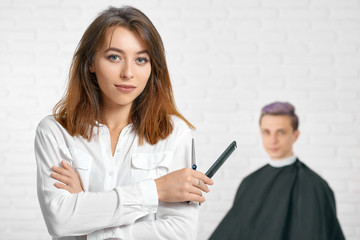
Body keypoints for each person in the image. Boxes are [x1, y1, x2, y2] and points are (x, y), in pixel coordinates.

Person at [34, 6, 213, 240]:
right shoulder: (55, 132)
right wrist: (157, 189)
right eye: (114, 57)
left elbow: (180, 232)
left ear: (152, 67)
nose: (128, 73)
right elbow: (60, 221)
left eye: (141, 59)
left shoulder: (175, 134)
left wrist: (87, 220)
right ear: (91, 63)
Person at [209, 101, 345, 240]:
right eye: (266, 132)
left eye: (280, 132)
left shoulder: (315, 186)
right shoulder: (249, 183)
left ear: (295, 135)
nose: (273, 140)